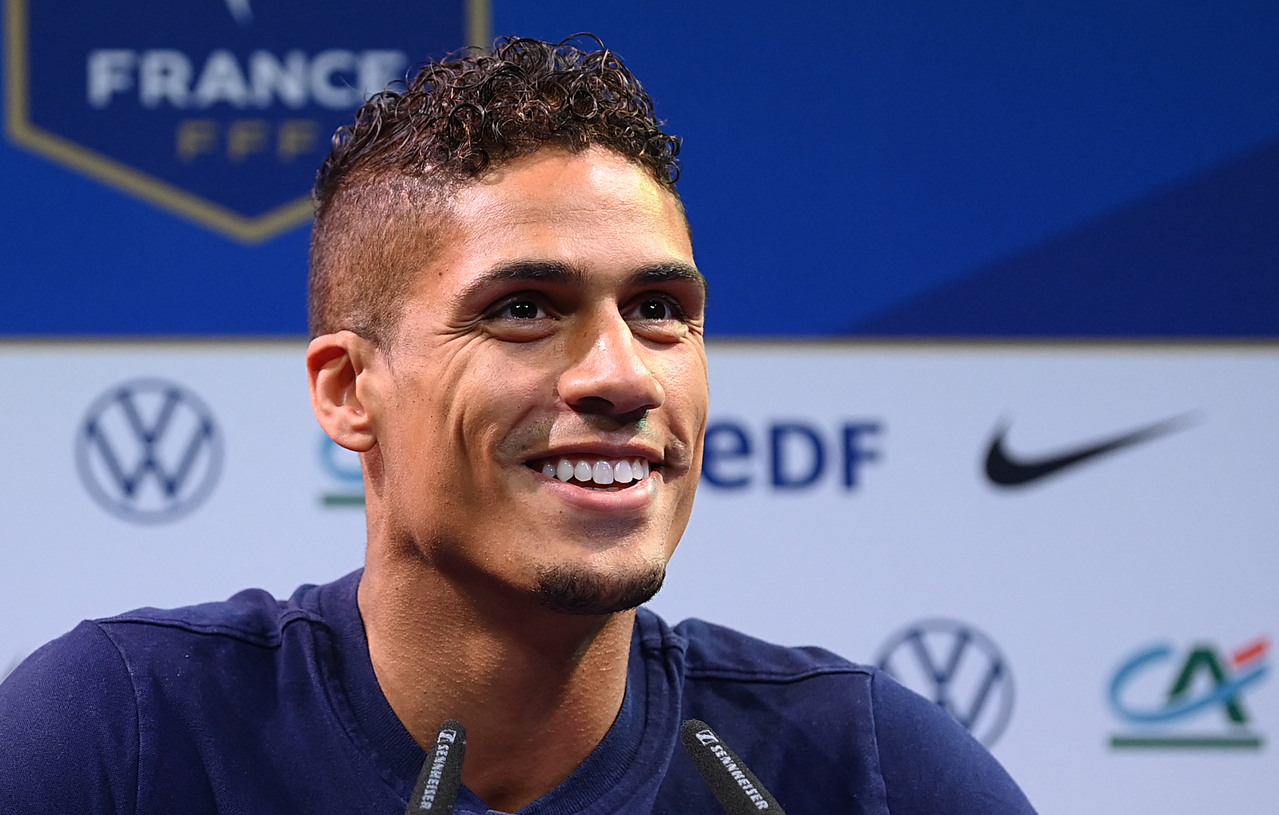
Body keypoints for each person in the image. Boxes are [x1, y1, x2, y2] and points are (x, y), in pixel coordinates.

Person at [0, 37, 1036, 814]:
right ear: (348, 390)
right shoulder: (119, 735)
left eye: (659, 309)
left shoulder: (867, 769)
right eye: (525, 309)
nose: (622, 375)